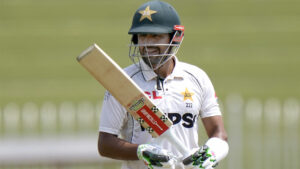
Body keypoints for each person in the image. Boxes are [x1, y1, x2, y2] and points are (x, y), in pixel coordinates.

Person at [98, 1, 229, 169]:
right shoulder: (122, 81)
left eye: (156, 36)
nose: (147, 44)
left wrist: (210, 153)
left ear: (175, 37)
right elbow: (105, 144)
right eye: (143, 36)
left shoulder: (197, 77)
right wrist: (142, 151)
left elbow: (219, 133)